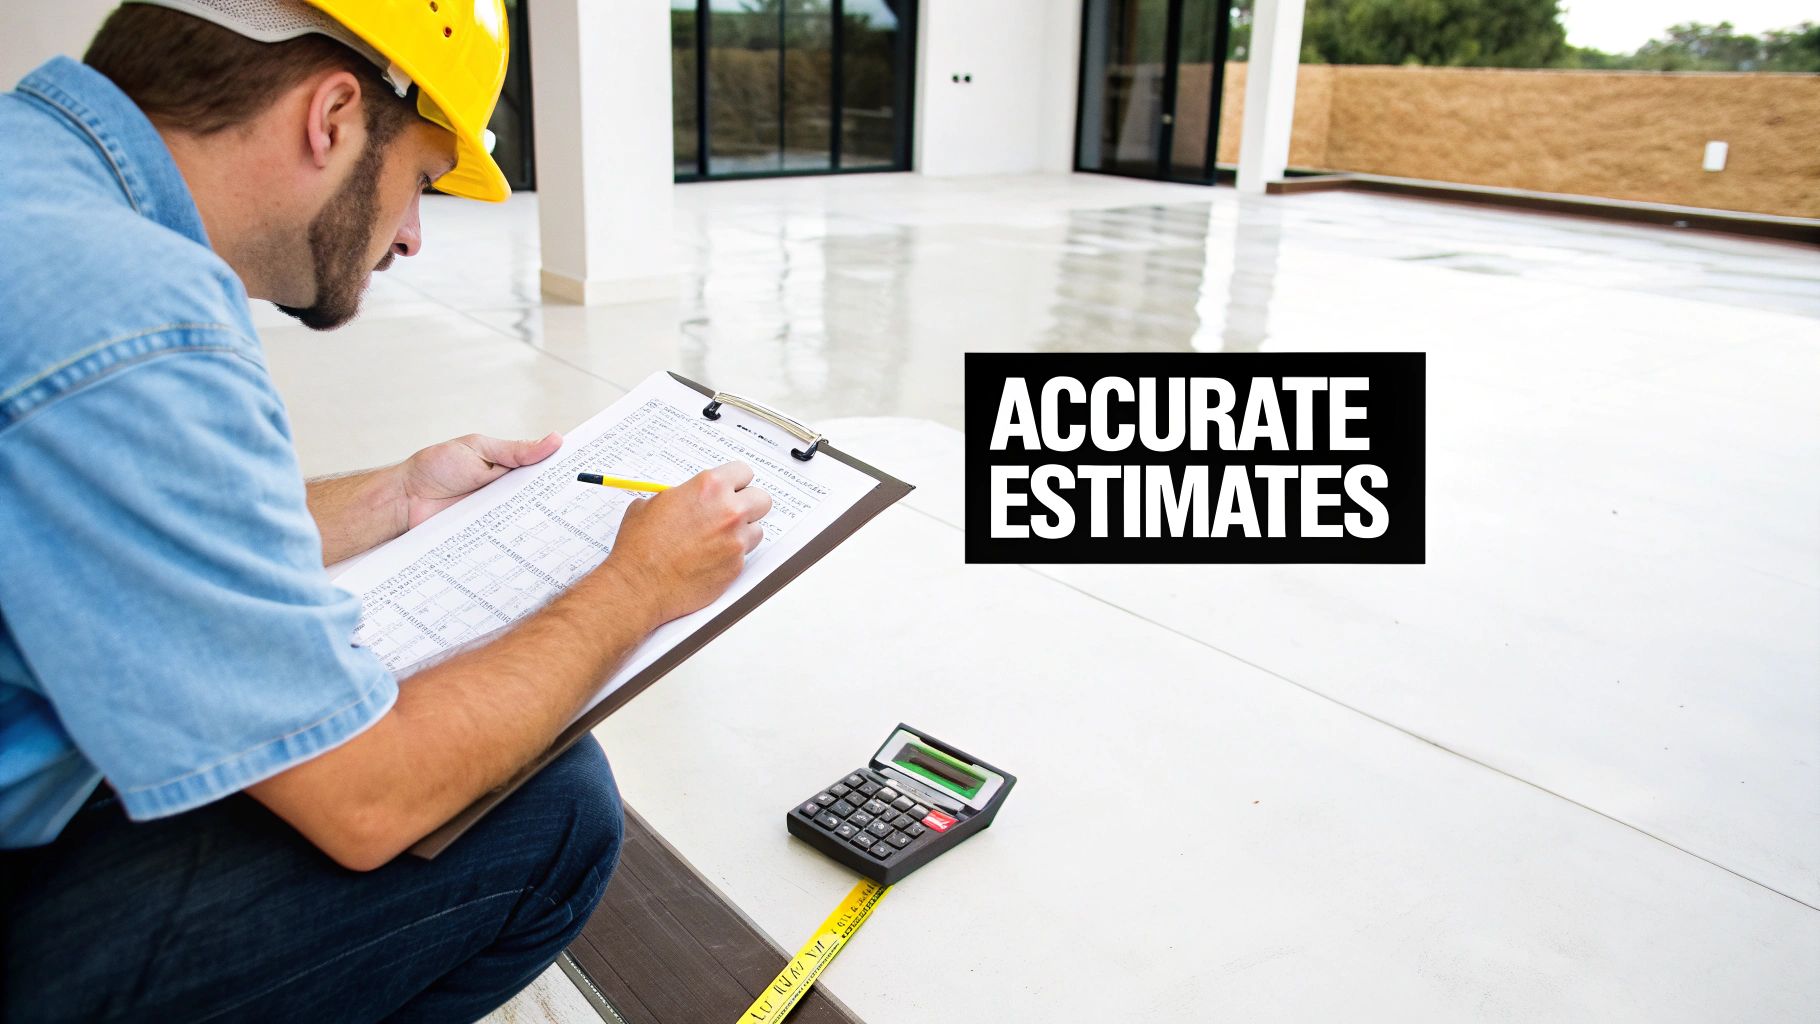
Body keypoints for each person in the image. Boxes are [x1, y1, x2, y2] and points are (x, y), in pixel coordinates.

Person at [0, 1, 771, 1019]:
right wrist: (637, 585)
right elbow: (369, 802)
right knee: (547, 807)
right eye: (419, 181)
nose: (411, 235)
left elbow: (90, 530)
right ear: (331, 115)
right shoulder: (136, 315)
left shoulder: (35, 179)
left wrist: (394, 498)